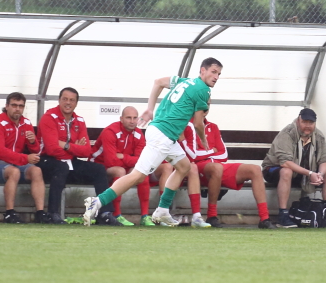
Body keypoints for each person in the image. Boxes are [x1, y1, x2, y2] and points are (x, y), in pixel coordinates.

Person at [82, 58, 222, 227]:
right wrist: (203, 139)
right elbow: (199, 123)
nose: (216, 77)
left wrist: (150, 109)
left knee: (184, 167)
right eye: (213, 72)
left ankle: (162, 210)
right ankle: (97, 202)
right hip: (163, 135)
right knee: (137, 176)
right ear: (202, 71)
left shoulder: (184, 81)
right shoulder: (204, 90)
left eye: (219, 74)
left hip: (161, 132)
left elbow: (158, 82)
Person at [177, 117, 274, 228]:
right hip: (197, 167)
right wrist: (212, 151)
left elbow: (223, 154)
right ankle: (212, 215)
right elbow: (191, 155)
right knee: (217, 168)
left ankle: (264, 218)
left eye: (207, 108)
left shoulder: (213, 126)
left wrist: (206, 154)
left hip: (217, 165)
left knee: (255, 169)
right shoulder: (186, 125)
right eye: (202, 108)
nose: (205, 110)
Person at [38, 87, 113, 224]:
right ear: (59, 100)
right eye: (65, 99)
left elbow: (86, 151)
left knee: (99, 169)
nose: (68, 102)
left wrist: (66, 145)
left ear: (76, 103)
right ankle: (53, 213)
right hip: (47, 161)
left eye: (72, 100)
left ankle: (105, 214)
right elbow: (52, 149)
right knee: (61, 168)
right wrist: (75, 147)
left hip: (70, 161)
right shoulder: (49, 117)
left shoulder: (79, 120)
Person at [262, 108, 326, 228]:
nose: (308, 126)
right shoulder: (287, 134)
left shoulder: (319, 136)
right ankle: (283, 215)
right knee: (286, 171)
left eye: (311, 123)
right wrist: (310, 173)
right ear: (298, 120)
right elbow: (285, 162)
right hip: (273, 169)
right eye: (304, 122)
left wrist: (320, 175)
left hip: (303, 172)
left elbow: (324, 160)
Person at [0, 92, 48, 224]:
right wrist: (25, 158)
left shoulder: (26, 123)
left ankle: (40, 213)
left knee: (36, 171)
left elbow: (36, 151)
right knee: (13, 172)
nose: (17, 109)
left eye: (21, 106)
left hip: (17, 162)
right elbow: (0, 152)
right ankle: (9, 213)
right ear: (7, 106)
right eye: (14, 105)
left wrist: (32, 142)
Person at [92, 106, 153, 226]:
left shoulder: (139, 134)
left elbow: (141, 161)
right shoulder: (110, 131)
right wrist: (130, 160)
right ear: (121, 119)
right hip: (98, 166)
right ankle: (117, 215)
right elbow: (111, 161)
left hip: (121, 165)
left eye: (135, 118)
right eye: (128, 118)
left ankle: (145, 216)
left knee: (142, 172)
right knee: (120, 171)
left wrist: (123, 157)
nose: (132, 121)